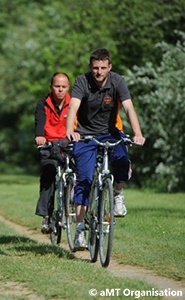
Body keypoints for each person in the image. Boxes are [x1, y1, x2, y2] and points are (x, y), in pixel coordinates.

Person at [66, 48, 145, 250]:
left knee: (121, 158)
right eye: (95, 68)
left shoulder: (117, 81)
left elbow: (128, 107)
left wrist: (137, 133)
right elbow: (73, 107)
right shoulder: (82, 81)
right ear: (90, 67)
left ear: (109, 67)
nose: (99, 72)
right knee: (83, 179)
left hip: (111, 132)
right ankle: (81, 230)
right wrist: (70, 131)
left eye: (103, 68)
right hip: (85, 135)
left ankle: (118, 193)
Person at [34, 72, 71, 234]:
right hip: (49, 146)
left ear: (68, 88)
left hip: (68, 145)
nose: (60, 90)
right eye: (57, 86)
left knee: (80, 173)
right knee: (48, 175)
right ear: (51, 87)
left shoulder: (74, 103)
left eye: (63, 87)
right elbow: (40, 122)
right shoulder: (43, 104)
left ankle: (76, 211)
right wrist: (40, 136)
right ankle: (46, 216)